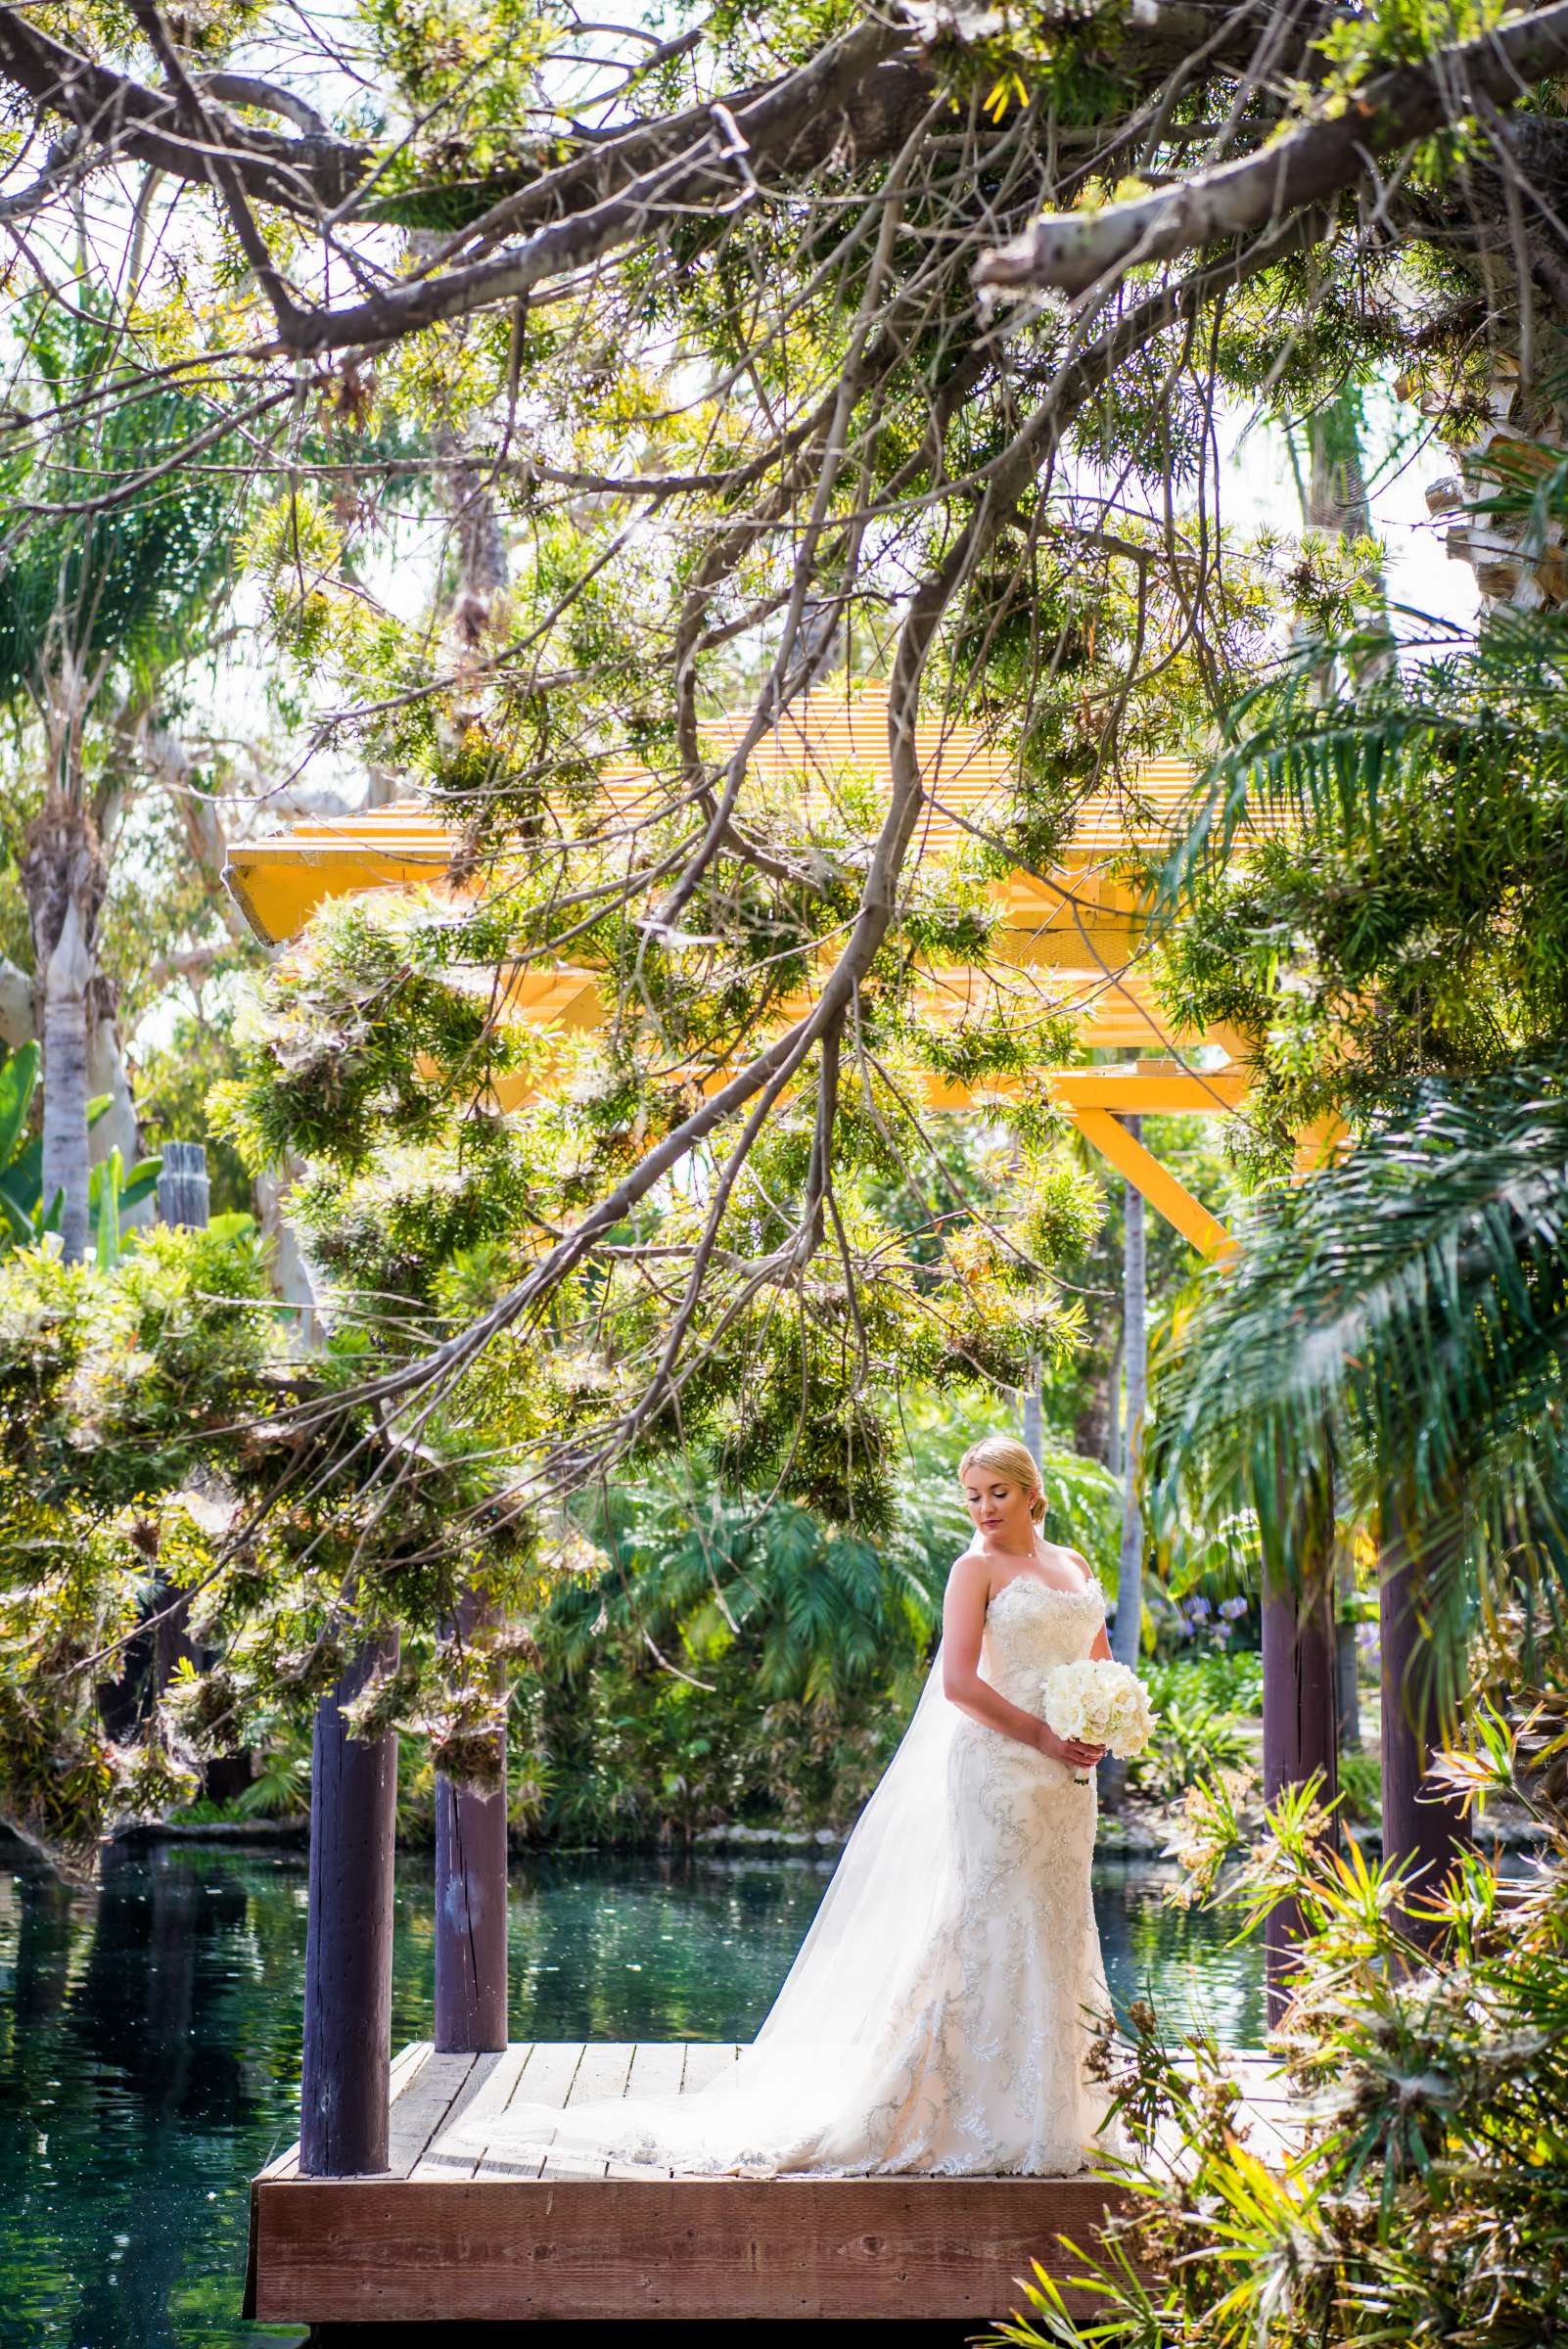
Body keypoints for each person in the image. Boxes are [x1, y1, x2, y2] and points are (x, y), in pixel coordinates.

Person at [460, 1433, 1120, 2177]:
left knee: (1060, 1919)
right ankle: (966, 2107)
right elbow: (960, 1686)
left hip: (1068, 1775)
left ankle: (1060, 2110)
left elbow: (1096, 1665)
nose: (984, 1508)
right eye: (971, 1495)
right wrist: (1041, 1733)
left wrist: (1100, 1720)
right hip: (1001, 1769)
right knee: (995, 1916)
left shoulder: (1075, 1566)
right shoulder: (974, 1570)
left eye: (997, 1493)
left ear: (1032, 1493)